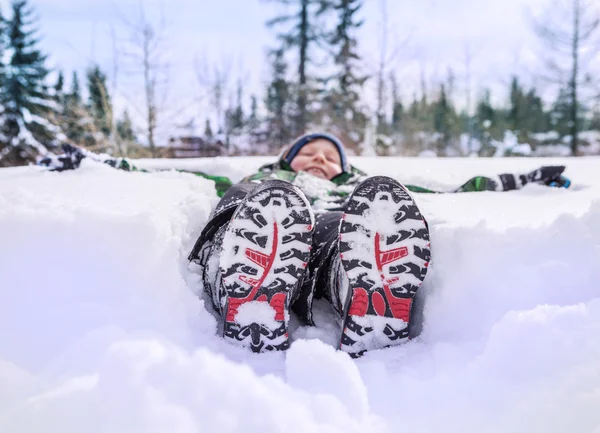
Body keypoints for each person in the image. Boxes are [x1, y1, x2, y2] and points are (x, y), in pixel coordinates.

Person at [39, 134, 571, 356]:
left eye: (329, 156)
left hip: (320, 235)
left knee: (347, 226)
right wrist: (92, 160)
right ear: (288, 159)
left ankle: (361, 295)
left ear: (344, 166)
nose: (319, 160)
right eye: (308, 154)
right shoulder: (252, 178)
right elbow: (166, 169)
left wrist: (523, 178)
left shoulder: (349, 189)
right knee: (254, 210)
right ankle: (244, 289)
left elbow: (457, 189)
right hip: (257, 216)